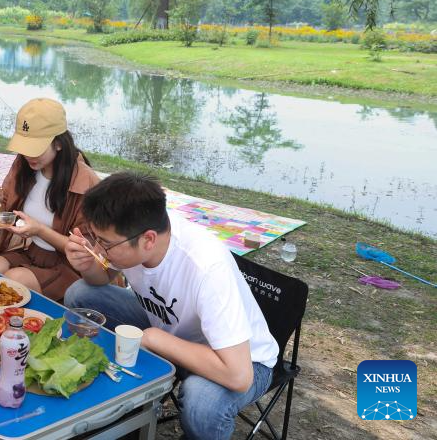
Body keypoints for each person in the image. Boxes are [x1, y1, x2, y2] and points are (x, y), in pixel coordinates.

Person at [64, 172, 278, 440]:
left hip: (240, 360)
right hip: (169, 327)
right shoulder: (136, 228)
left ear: (148, 240)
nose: (98, 249)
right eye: (95, 238)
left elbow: (239, 376)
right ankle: (114, 398)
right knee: (81, 295)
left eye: (104, 243)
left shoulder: (207, 267)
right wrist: (87, 266)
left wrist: (156, 339)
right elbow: (101, 278)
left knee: (202, 403)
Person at [0, 98, 98, 302]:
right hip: (31, 251)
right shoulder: (24, 166)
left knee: (15, 280)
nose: (28, 155)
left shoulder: (85, 182)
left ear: (59, 143)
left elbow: (88, 251)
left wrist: (40, 230)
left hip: (67, 266)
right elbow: (1, 221)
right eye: (24, 146)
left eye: (35, 148)